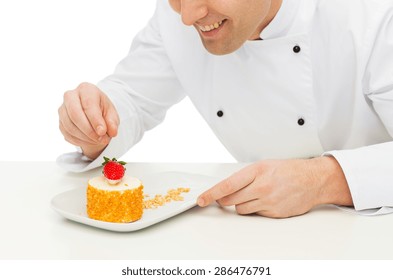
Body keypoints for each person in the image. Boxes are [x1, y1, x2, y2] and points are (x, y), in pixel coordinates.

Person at [57, 0, 393, 218]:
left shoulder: (373, 16)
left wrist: (323, 180)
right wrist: (94, 122)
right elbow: (132, 96)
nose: (188, 16)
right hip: (253, 236)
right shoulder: (179, 15)